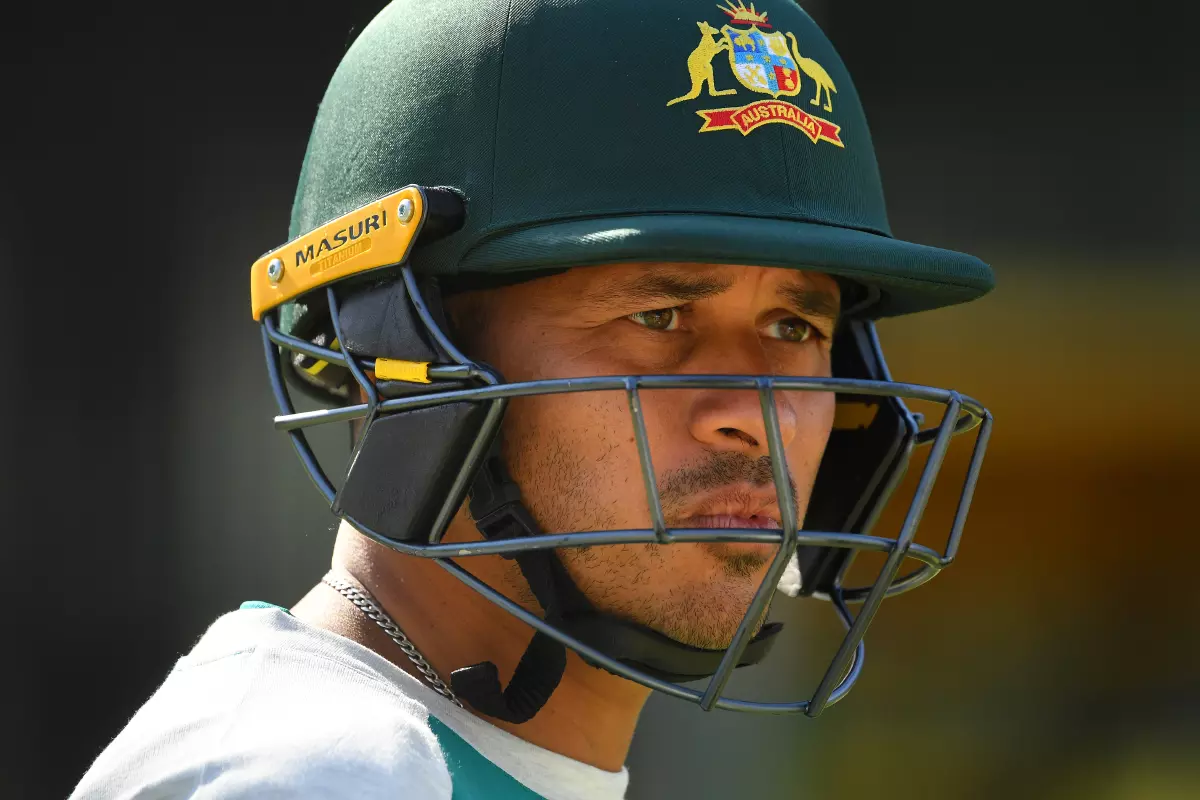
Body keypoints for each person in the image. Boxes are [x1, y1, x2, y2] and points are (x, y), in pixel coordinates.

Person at [72, 0, 994, 797]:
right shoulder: (321, 775)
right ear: (394, 357)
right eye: (659, 316)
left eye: (795, 326)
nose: (758, 413)